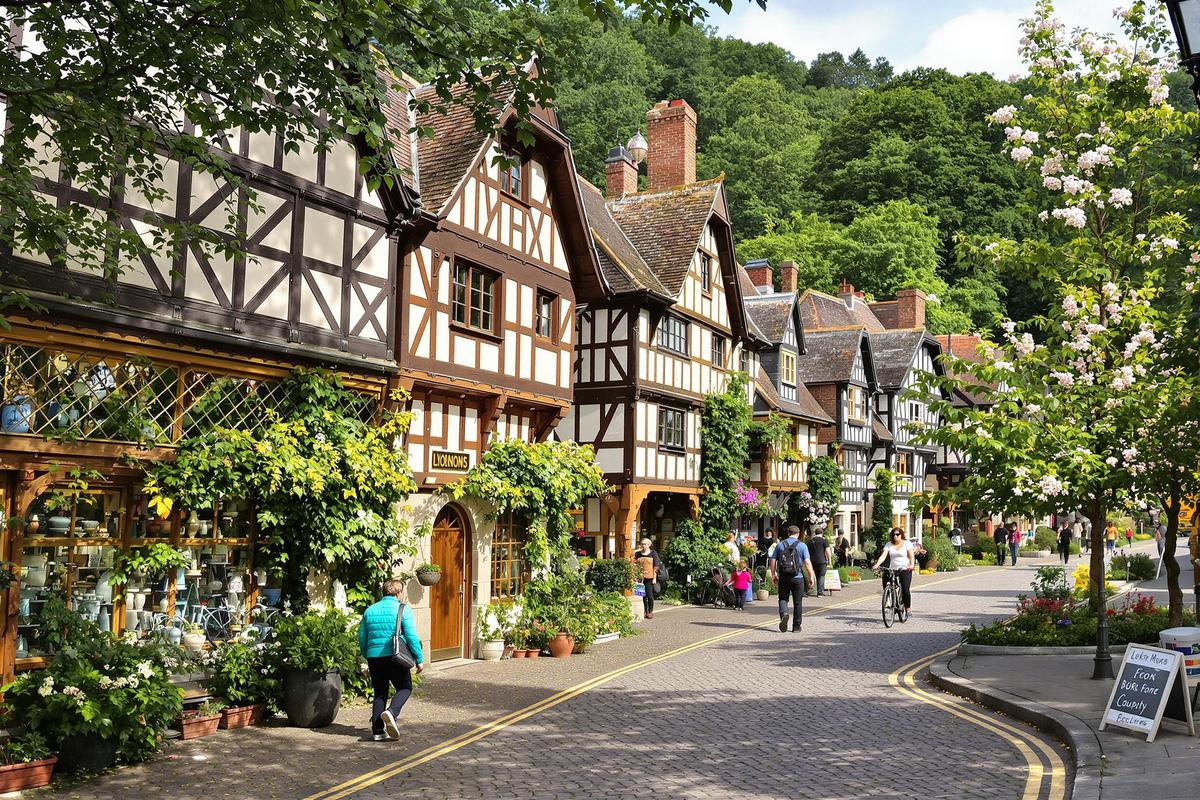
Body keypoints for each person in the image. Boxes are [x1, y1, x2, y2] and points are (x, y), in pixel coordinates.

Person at [358, 578, 423, 742]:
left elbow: (362, 637)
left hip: (374, 657)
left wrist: (367, 653)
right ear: (399, 593)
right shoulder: (402, 609)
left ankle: (378, 731)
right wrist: (419, 658)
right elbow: (411, 636)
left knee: (380, 693)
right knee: (405, 687)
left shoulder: (370, 610)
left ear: (384, 592)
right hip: (395, 656)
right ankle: (392, 712)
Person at [769, 525, 816, 633]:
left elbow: (773, 560)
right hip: (797, 577)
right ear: (798, 533)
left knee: (783, 599)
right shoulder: (802, 545)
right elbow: (807, 563)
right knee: (798, 602)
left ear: (788, 533)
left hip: (784, 577)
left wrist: (773, 574)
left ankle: (784, 614)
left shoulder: (780, 545)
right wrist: (811, 577)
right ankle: (796, 626)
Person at [873, 527, 915, 616]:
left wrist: (911, 565)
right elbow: (883, 556)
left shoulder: (907, 543)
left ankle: (908, 608)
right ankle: (888, 596)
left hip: (905, 568)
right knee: (885, 578)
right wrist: (877, 564)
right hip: (893, 569)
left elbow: (911, 556)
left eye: (897, 534)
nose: (895, 536)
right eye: (893, 535)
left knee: (905, 589)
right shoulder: (889, 544)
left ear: (901, 535)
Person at [634, 538, 661, 619]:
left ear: (649, 545)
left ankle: (650, 611)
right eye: (642, 544)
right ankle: (645, 611)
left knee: (649, 595)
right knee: (642, 595)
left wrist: (654, 578)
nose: (643, 545)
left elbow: (656, 566)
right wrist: (635, 576)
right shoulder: (638, 554)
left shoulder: (653, 553)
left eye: (645, 544)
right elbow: (634, 565)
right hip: (640, 578)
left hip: (650, 577)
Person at [808, 528, 832, 596]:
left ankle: (813, 590)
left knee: (815, 575)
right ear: (822, 533)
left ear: (815, 533)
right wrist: (830, 561)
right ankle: (820, 592)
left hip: (812, 561)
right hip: (822, 561)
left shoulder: (810, 541)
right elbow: (828, 552)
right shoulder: (824, 541)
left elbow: (807, 552)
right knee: (821, 576)